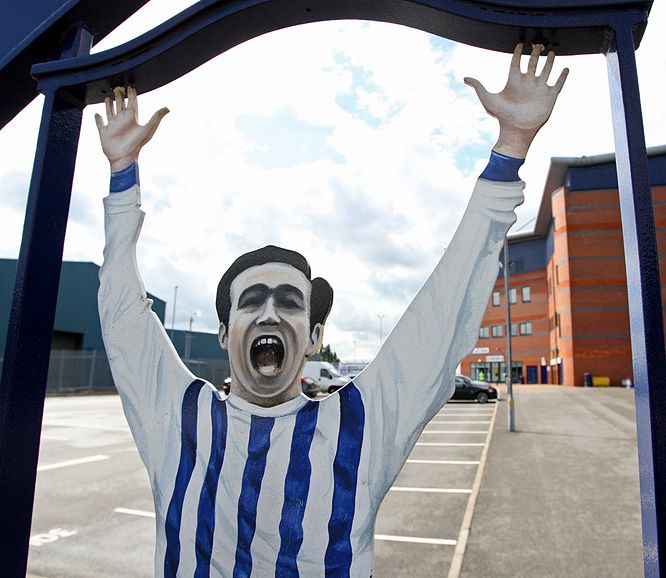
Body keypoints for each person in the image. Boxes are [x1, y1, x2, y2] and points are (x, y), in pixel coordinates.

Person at [96, 43, 567, 577]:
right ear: (225, 333)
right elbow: (122, 317)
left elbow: (443, 314)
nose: (270, 314)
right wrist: (122, 175)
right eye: (252, 302)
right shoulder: (178, 420)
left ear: (315, 334)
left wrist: (510, 147)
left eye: (288, 303)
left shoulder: (359, 425)